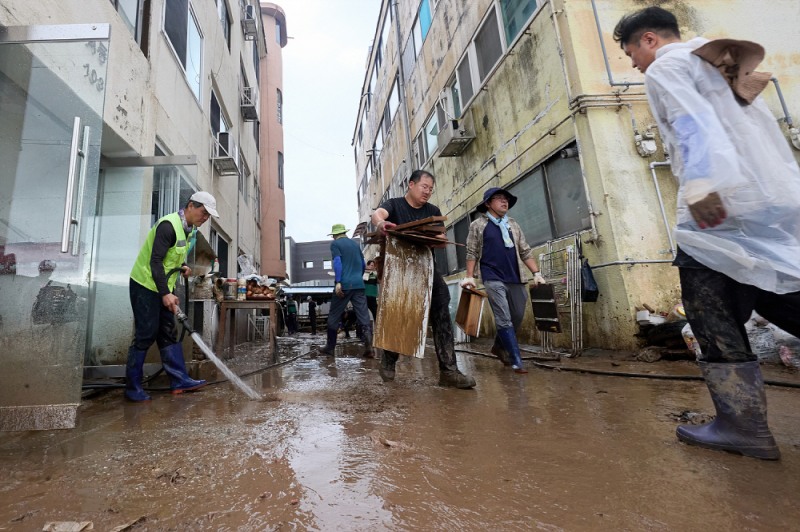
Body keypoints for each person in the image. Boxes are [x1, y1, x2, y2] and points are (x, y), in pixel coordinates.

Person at [614, 7, 800, 460]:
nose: (633, 64)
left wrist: (700, 183)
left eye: (630, 52)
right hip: (765, 198)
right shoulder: (714, 65)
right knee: (775, 290)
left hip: (720, 206)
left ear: (650, 40)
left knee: (708, 307)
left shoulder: (668, 67)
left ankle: (743, 425)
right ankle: (743, 423)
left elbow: (690, 122)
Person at [372, 170, 476, 389]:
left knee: (441, 309)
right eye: (424, 187)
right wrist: (382, 225)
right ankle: (389, 360)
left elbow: (440, 238)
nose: (428, 192)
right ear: (411, 184)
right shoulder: (395, 205)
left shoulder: (432, 211)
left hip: (427, 268)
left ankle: (449, 371)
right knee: (401, 313)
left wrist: (437, 240)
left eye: (431, 189)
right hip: (401, 270)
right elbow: (378, 214)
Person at [125, 191, 217, 402]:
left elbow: (170, 255)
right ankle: (132, 388)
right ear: (191, 206)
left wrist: (182, 266)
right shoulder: (168, 226)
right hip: (145, 285)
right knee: (146, 333)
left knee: (168, 331)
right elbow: (155, 261)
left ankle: (179, 380)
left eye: (208, 216)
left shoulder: (189, 229)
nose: (205, 218)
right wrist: (165, 293)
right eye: (203, 213)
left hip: (163, 284)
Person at [461, 187, 546, 374]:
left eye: (506, 198)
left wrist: (536, 273)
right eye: (498, 198)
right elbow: (472, 251)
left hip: (515, 277)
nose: (504, 201)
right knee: (503, 317)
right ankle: (516, 360)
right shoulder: (478, 225)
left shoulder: (513, 225)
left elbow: (525, 251)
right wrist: (469, 276)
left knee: (516, 315)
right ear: (488, 203)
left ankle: (499, 346)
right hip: (492, 277)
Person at [318, 224, 374, 358]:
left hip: (344, 285)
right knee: (363, 316)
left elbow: (337, 262)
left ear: (335, 235)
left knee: (334, 315)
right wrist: (357, 279)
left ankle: (330, 348)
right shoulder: (355, 245)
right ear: (344, 233)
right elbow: (362, 264)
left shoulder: (335, 244)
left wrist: (338, 281)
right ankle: (369, 348)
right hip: (359, 285)